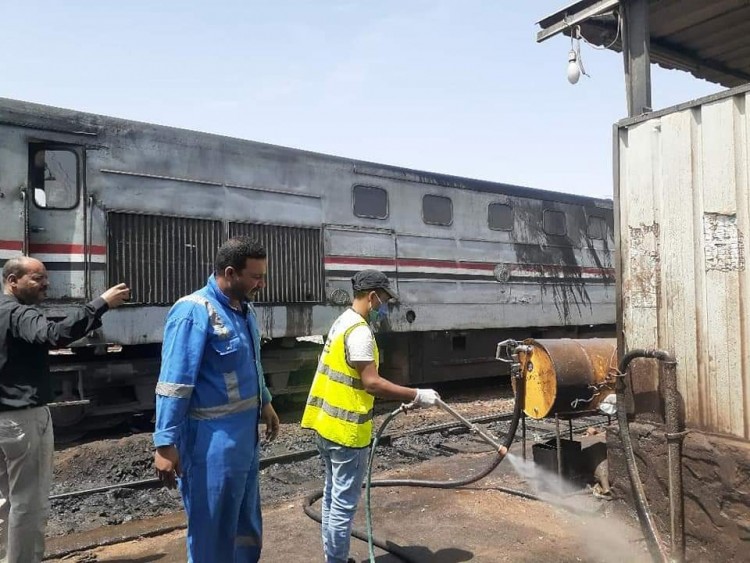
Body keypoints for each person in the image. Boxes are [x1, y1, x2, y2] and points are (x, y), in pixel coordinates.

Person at [153, 236, 280, 563]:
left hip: (244, 442)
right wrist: (165, 443)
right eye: (255, 277)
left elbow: (252, 362)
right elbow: (174, 384)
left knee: (245, 524)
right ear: (230, 272)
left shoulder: (244, 310)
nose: (261, 283)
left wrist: (264, 401)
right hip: (210, 446)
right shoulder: (193, 312)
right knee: (212, 529)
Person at [301, 269, 441, 563]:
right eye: (384, 300)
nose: (384, 306)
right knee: (341, 506)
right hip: (347, 433)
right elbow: (372, 383)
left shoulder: (343, 322)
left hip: (325, 426)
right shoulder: (361, 332)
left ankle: (333, 558)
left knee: (330, 496)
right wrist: (416, 394)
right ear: (373, 296)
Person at [0, 257, 130, 563]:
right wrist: (100, 304)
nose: (46, 284)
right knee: (29, 503)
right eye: (37, 279)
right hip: (23, 420)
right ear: (12, 281)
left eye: (45, 277)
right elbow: (53, 335)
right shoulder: (19, 314)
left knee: (6, 500)